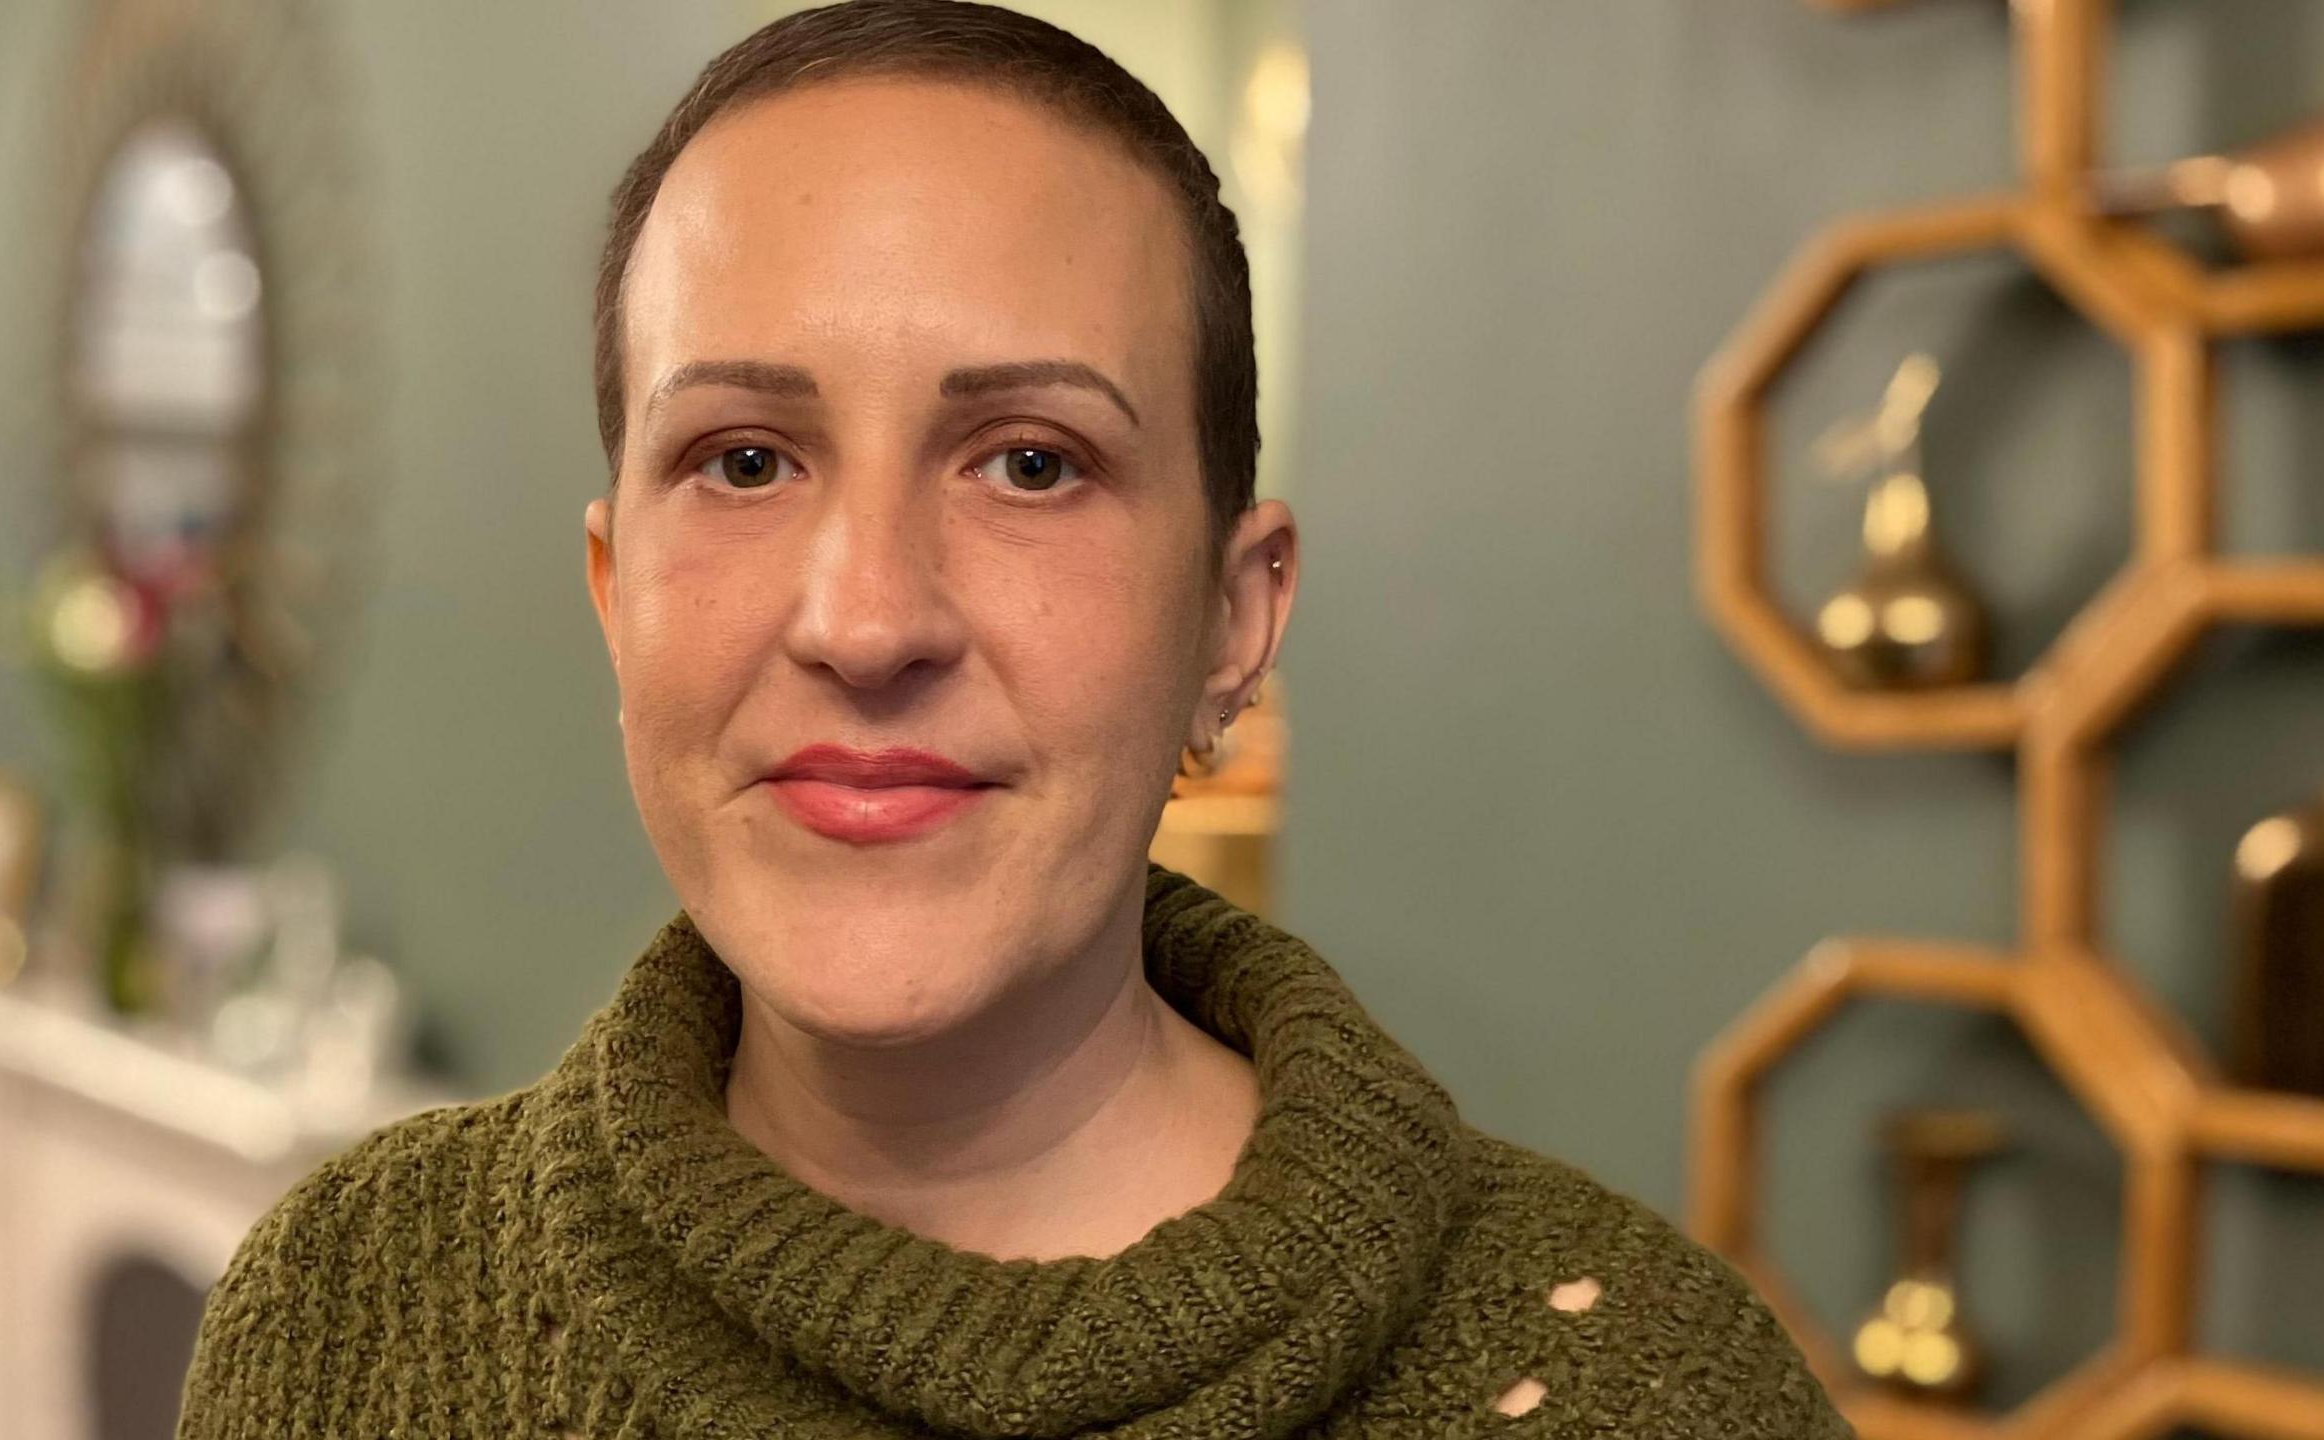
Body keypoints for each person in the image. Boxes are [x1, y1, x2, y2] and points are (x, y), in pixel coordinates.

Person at [175, 3, 1847, 1435]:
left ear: (1232, 617)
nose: (867, 619)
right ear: (619, 596)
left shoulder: (1646, 1390)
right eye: (744, 460)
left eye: (1032, 463)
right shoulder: (348, 1326)